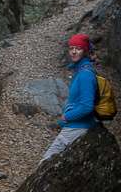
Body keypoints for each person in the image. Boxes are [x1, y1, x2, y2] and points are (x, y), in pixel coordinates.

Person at [41, 33, 98, 162]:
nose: (73, 52)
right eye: (71, 48)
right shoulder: (80, 70)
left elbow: (87, 106)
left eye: (78, 48)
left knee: (45, 163)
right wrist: (62, 122)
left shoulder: (85, 75)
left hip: (77, 127)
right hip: (75, 125)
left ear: (85, 51)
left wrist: (67, 117)